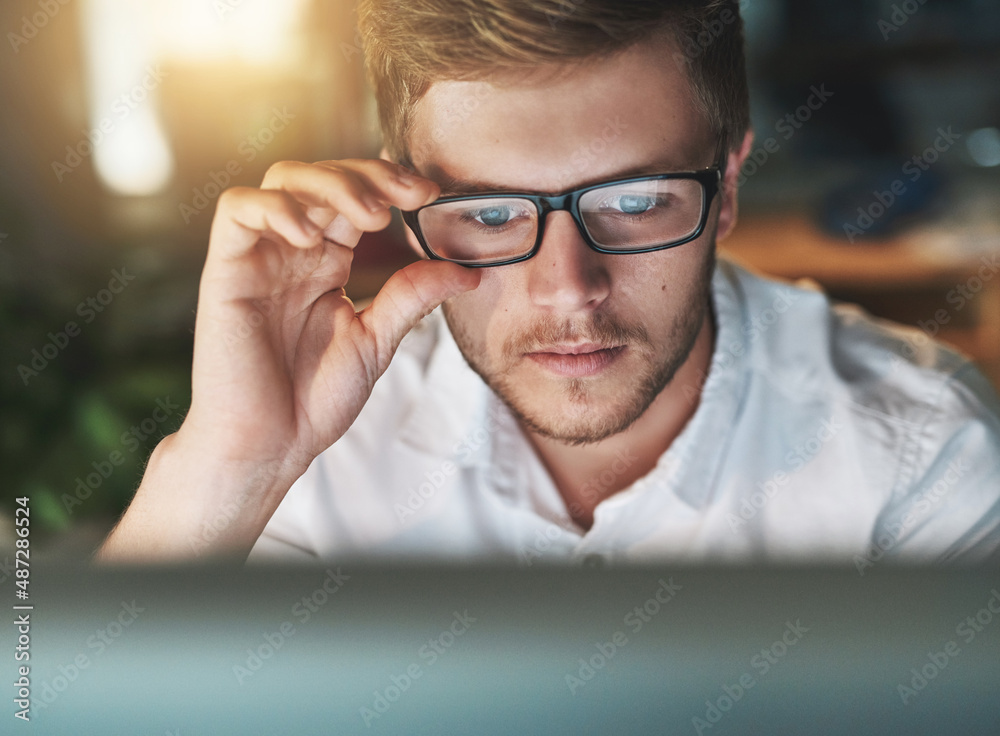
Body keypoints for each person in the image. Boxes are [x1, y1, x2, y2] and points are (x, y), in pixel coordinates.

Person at [97, 0, 1000, 569]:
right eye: (489, 214)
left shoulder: (920, 457)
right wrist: (230, 464)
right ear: (402, 202)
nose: (568, 288)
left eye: (637, 200)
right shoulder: (325, 449)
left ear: (726, 189)